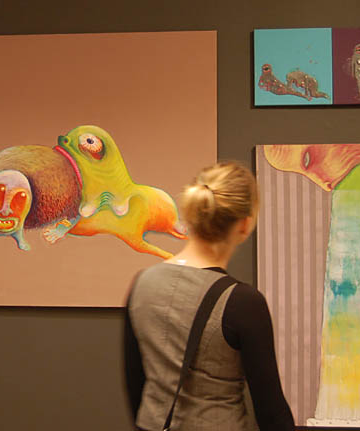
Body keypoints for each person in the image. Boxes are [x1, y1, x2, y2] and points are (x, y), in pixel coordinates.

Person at [123, 161, 295, 431]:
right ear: (244, 224)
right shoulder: (243, 302)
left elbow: (136, 384)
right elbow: (271, 412)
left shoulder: (142, 283)